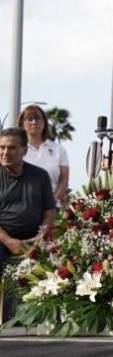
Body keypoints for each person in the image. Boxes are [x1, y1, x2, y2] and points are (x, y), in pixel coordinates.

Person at [0, 127, 57, 321]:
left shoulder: (40, 176)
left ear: (24, 150)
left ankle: (43, 320)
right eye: (2, 148)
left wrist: (42, 234)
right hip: (3, 239)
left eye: (12, 148)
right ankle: (7, 321)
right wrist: (9, 241)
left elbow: (50, 211)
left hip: (35, 239)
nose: (5, 153)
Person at [18, 105, 68, 206]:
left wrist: (52, 201)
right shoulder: (17, 149)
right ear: (22, 124)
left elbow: (64, 179)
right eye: (30, 119)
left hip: (52, 208)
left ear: (44, 122)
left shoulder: (58, 149)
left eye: (37, 118)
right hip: (22, 208)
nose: (34, 122)